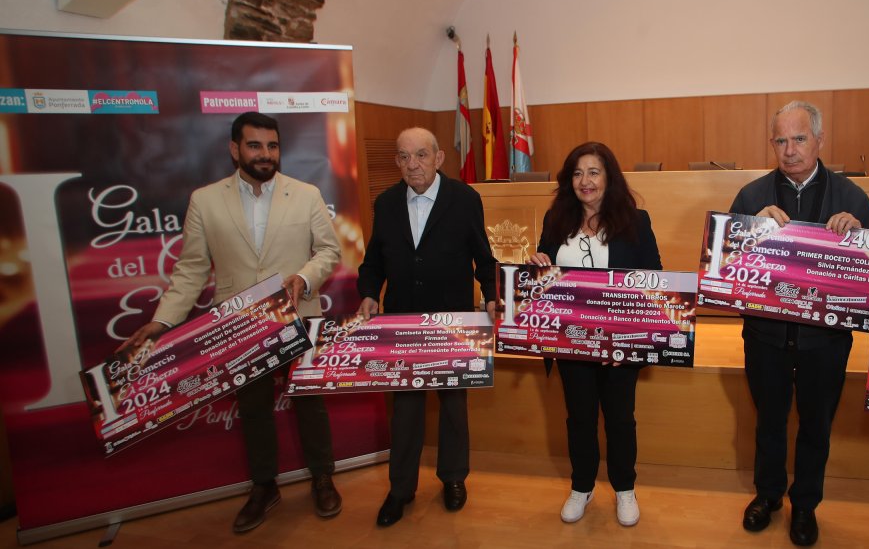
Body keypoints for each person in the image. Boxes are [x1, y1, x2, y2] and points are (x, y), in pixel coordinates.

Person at [120, 111, 342, 533]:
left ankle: (323, 477)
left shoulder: (306, 194)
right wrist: (162, 321)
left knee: (310, 401)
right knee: (254, 409)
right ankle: (264, 487)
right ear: (235, 149)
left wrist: (305, 277)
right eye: (255, 145)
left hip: (296, 317)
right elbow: (191, 269)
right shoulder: (205, 200)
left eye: (272, 146)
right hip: (238, 324)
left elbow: (329, 251)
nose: (265, 154)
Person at [731, 101, 869, 546]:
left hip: (825, 341)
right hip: (765, 336)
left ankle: (805, 505)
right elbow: (725, 269)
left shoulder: (852, 198)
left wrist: (861, 238)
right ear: (771, 144)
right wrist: (746, 230)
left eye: (799, 139)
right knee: (769, 421)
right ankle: (768, 495)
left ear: (819, 140)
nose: (790, 149)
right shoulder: (750, 197)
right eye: (781, 140)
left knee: (816, 425)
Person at [356, 127, 498, 527]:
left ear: (438, 158)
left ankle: (453, 479)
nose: (412, 164)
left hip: (453, 321)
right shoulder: (386, 203)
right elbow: (373, 261)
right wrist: (369, 292)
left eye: (420, 155)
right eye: (403, 157)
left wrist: (491, 294)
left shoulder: (465, 199)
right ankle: (400, 489)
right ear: (396, 162)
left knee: (453, 408)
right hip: (402, 322)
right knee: (405, 411)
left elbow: (483, 258)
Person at [528, 142, 662, 527]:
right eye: (577, 173)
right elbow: (543, 272)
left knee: (620, 418)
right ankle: (581, 486)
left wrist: (628, 337)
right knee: (580, 418)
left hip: (618, 344)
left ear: (609, 177)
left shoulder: (636, 221)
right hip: (570, 342)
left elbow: (654, 278)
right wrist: (537, 263)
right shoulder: (556, 219)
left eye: (593, 172)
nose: (584, 181)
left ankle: (625, 489)